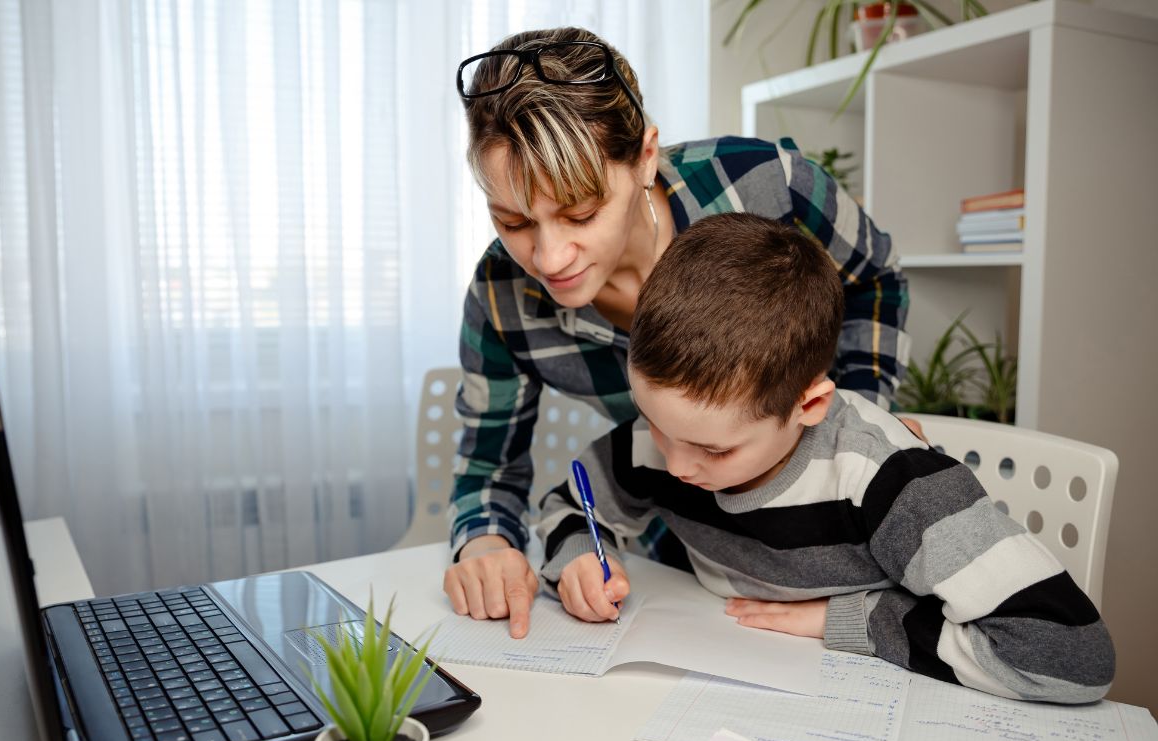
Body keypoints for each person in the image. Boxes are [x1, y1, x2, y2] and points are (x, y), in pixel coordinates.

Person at [444, 26, 911, 640]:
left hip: (848, 559)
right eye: (513, 220)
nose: (551, 256)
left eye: (581, 213)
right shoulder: (500, 295)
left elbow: (874, 277)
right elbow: (490, 467)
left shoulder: (768, 186)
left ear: (645, 156)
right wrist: (484, 544)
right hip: (686, 565)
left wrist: (861, 419)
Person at [534, 212, 1114, 703]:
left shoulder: (889, 481)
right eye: (657, 426)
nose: (677, 465)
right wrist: (581, 556)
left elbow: (1070, 655)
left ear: (808, 404)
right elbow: (570, 501)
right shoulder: (663, 437)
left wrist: (855, 618)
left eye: (714, 449)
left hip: (874, 699)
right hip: (727, 671)